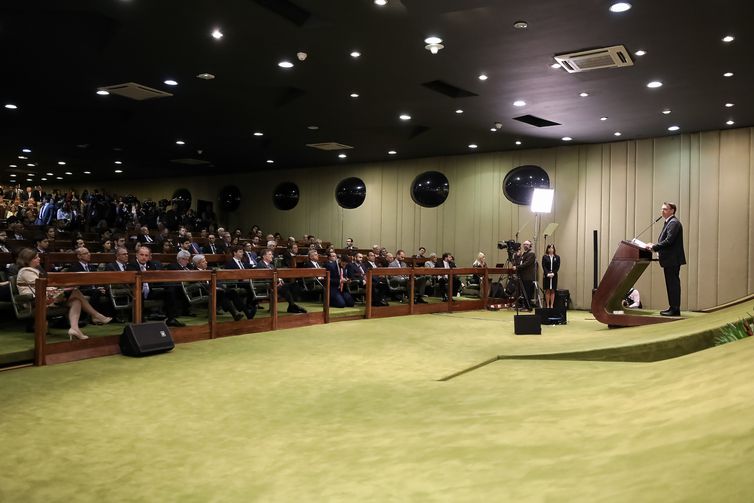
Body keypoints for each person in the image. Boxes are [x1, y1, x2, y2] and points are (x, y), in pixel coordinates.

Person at [15, 248, 112, 340]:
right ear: (28, 260)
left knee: (76, 301)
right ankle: (95, 315)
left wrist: (58, 289)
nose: (39, 258)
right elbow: (41, 287)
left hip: (46, 298)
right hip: (34, 302)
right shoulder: (26, 271)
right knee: (75, 291)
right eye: (36, 257)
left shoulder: (35, 270)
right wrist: (59, 290)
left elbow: (47, 287)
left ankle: (75, 329)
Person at [646, 201, 686, 316]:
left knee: (673, 285)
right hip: (670, 259)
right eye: (662, 209)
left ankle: (675, 309)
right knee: (671, 284)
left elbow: (669, 241)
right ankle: (673, 307)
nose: (662, 211)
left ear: (672, 210)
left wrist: (654, 247)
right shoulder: (669, 222)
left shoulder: (673, 223)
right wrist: (654, 245)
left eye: (665, 209)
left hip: (672, 259)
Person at [255, 248, 307, 313]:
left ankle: (291, 306)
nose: (272, 256)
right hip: (266, 286)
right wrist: (276, 282)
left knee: (294, 285)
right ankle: (293, 306)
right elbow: (264, 278)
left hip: (275, 285)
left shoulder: (271, 265)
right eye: (270, 254)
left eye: (272, 254)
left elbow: (276, 275)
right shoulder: (260, 265)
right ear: (264, 256)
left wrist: (279, 280)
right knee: (285, 287)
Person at [512, 240, 536, 309]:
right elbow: (519, 262)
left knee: (527, 292)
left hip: (528, 276)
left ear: (530, 246)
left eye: (527, 244)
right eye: (524, 244)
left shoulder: (531, 254)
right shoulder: (523, 254)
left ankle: (528, 306)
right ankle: (525, 305)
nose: (525, 246)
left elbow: (526, 264)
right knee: (523, 292)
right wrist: (517, 256)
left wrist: (516, 267)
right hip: (522, 276)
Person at [541, 244, 560, 309]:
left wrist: (553, 273)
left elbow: (557, 267)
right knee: (547, 290)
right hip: (547, 276)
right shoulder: (545, 257)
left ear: (554, 249)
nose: (551, 249)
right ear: (547, 249)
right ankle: (548, 305)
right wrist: (547, 273)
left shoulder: (557, 257)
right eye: (549, 248)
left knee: (553, 290)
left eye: (552, 248)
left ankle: (552, 305)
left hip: (554, 275)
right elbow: (544, 266)